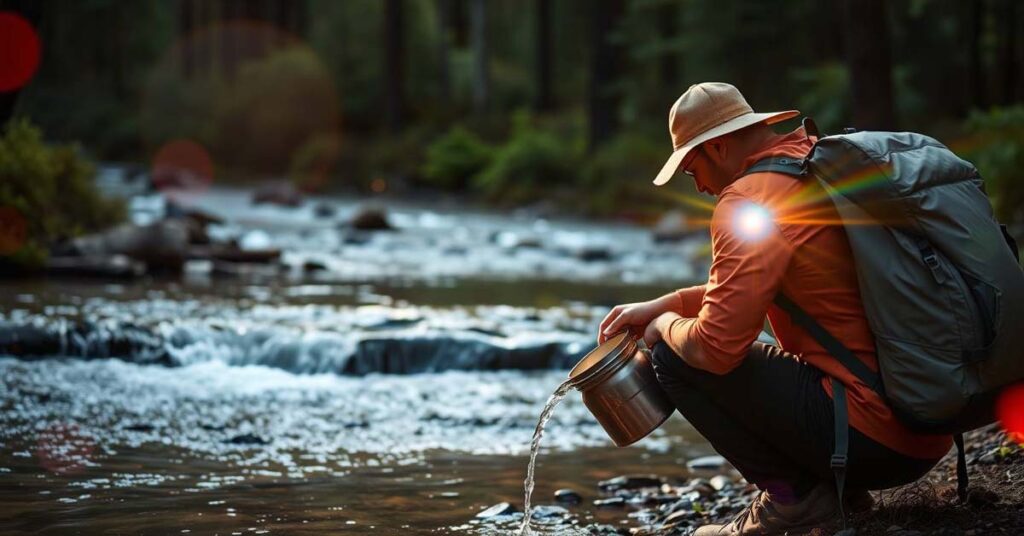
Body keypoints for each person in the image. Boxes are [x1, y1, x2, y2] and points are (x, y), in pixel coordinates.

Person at [598, 82, 953, 535]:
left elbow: (715, 348)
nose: (702, 187)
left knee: (674, 356)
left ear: (719, 146)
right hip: (930, 416)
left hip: (874, 439)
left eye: (692, 170)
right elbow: (755, 286)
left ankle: (797, 500)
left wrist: (663, 326)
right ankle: (837, 492)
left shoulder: (747, 200)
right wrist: (663, 304)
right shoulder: (817, 162)